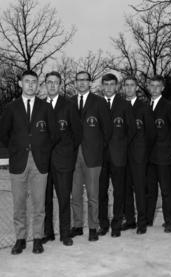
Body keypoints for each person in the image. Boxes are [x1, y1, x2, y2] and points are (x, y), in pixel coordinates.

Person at [0, 70, 57, 254]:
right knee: (19, 204)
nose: (31, 84)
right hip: (18, 162)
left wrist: (43, 149)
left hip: (39, 162)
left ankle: (38, 238)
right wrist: (16, 148)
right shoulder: (11, 108)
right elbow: (2, 134)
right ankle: (20, 239)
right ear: (20, 84)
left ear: (38, 84)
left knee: (39, 204)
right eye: (27, 81)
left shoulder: (45, 107)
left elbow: (54, 134)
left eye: (34, 82)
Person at [70, 71, 112, 241]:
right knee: (76, 194)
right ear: (75, 83)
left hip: (93, 156)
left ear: (90, 83)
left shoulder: (99, 102)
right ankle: (78, 226)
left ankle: (93, 227)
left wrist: (98, 148)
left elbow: (108, 130)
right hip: (73, 156)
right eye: (78, 80)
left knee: (93, 195)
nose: (81, 83)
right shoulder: (69, 102)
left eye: (84, 80)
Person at [42, 71, 82, 246]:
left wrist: (68, 153)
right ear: (45, 84)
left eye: (55, 82)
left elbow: (78, 134)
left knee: (64, 198)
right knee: (45, 200)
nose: (52, 85)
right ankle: (48, 232)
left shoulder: (69, 105)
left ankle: (65, 233)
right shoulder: (40, 105)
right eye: (49, 82)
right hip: (43, 161)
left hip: (63, 160)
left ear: (60, 85)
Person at [98, 73, 137, 238]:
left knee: (119, 192)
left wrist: (120, 145)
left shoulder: (124, 104)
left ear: (116, 86)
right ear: (102, 86)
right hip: (99, 156)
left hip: (118, 155)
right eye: (105, 84)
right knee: (101, 192)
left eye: (111, 84)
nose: (108, 87)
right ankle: (103, 225)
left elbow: (132, 130)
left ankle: (116, 224)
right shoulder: (96, 103)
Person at [146, 75, 171, 233]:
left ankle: (169, 221)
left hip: (164, 155)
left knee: (166, 191)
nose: (154, 89)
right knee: (150, 190)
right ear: (148, 87)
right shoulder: (145, 105)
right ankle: (148, 219)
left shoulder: (169, 106)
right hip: (148, 156)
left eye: (157, 86)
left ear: (162, 88)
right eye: (151, 85)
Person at [122, 76, 156, 234]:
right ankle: (130, 220)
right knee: (125, 189)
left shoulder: (144, 106)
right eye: (126, 85)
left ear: (136, 87)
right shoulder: (120, 105)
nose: (129, 88)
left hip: (139, 155)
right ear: (123, 88)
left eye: (131, 85)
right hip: (122, 155)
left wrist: (144, 153)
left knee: (140, 189)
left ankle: (142, 222)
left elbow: (150, 133)